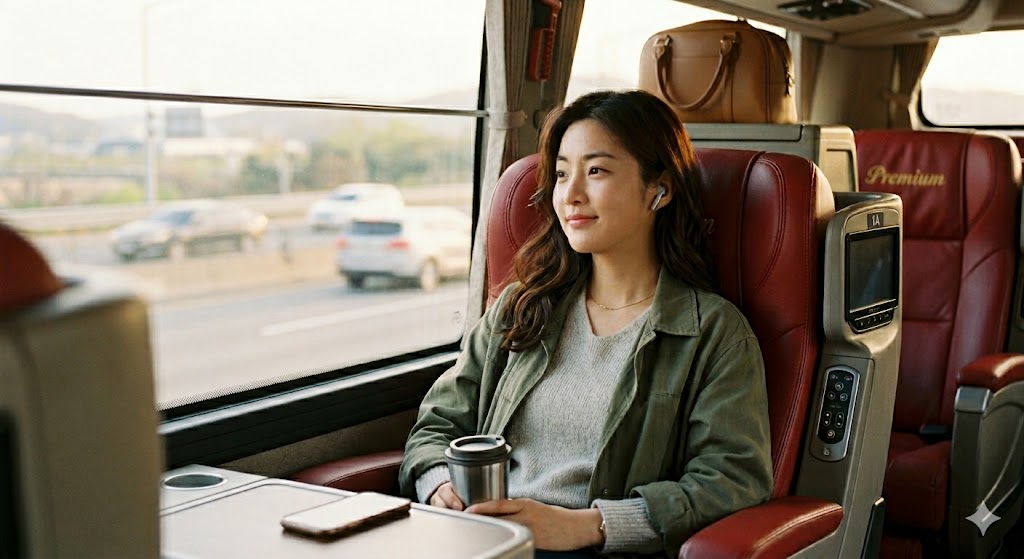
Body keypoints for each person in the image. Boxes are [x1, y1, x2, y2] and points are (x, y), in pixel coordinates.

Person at [398, 89, 772, 557]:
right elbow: (437, 424)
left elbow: (732, 479)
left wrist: (589, 526)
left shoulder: (713, 333)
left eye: (596, 170)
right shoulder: (522, 307)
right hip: (479, 541)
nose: (570, 195)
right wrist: (438, 486)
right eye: (560, 174)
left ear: (660, 188)